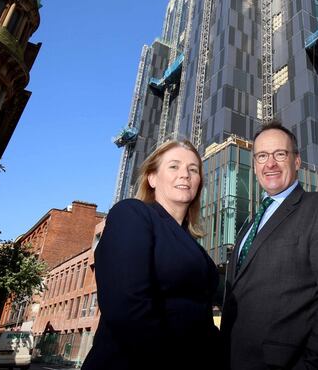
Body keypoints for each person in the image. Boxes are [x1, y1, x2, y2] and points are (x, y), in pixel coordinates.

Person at [222, 121, 318, 370]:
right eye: (262, 156)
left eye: (280, 154)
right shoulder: (249, 224)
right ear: (255, 166)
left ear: (297, 161)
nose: (270, 164)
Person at [82, 139, 221, 370]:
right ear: (152, 178)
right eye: (174, 166)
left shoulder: (198, 252)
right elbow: (127, 308)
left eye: (193, 169)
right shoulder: (132, 214)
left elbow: (203, 322)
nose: (185, 174)